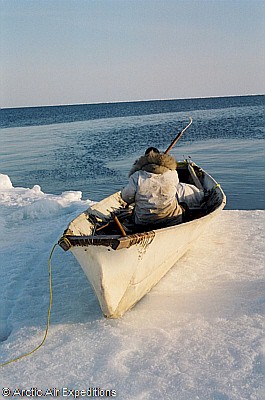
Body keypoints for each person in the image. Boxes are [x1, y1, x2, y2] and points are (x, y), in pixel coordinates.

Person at [121, 147, 183, 227]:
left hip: (144, 221)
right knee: (183, 207)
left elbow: (126, 197)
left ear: (144, 160)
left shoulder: (137, 176)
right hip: (171, 219)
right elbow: (175, 188)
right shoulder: (172, 173)